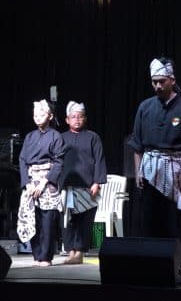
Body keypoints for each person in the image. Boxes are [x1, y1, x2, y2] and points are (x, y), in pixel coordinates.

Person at [127, 57, 181, 269]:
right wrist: (138, 171)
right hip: (150, 169)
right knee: (150, 218)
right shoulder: (145, 107)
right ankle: (150, 262)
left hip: (177, 169)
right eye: (154, 82)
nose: (158, 86)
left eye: (161, 81)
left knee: (176, 219)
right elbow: (137, 143)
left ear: (172, 80)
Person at [17, 99, 65, 267]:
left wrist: (43, 183)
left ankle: (46, 256)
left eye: (41, 114)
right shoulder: (30, 136)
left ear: (50, 116)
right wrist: (28, 183)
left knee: (47, 222)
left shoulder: (56, 136)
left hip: (47, 183)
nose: (37, 117)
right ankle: (37, 255)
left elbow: (59, 162)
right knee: (33, 219)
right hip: (31, 182)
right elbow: (22, 160)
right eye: (35, 114)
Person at [60, 101, 107, 264]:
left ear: (85, 118)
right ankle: (70, 250)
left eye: (80, 116)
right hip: (66, 186)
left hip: (87, 186)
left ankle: (79, 251)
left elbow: (99, 160)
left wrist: (97, 182)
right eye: (73, 117)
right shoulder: (61, 138)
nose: (77, 119)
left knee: (84, 221)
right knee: (67, 220)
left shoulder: (93, 137)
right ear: (67, 120)